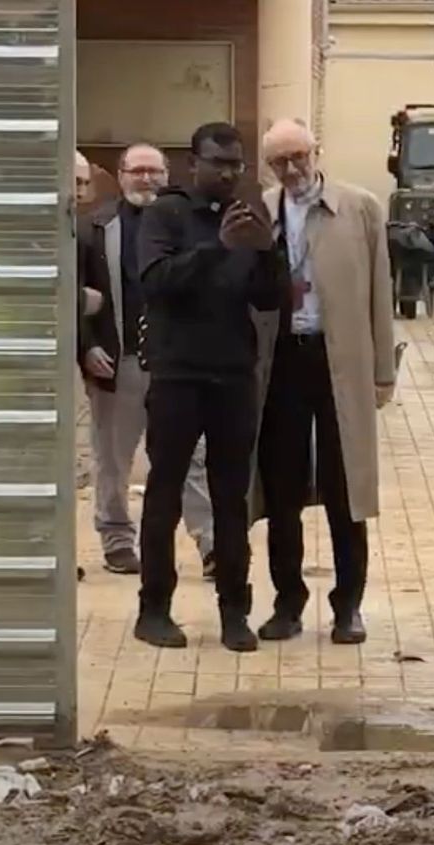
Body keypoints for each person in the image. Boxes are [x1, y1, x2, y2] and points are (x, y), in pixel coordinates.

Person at [135, 122, 286, 652]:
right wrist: (217, 250)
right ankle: (153, 608)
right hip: (177, 374)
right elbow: (154, 282)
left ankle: (234, 612)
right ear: (192, 163)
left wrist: (267, 253)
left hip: (233, 375)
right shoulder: (165, 214)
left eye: (236, 164)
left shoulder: (248, 217)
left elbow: (270, 300)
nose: (227, 173)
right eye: (218, 162)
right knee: (165, 492)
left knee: (231, 498)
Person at [251, 119, 395, 646]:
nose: (291, 170)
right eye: (278, 162)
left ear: (317, 151)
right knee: (282, 487)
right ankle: (288, 601)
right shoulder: (262, 211)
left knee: (345, 486)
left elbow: (381, 291)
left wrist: (383, 372)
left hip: (340, 360)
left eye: (298, 156)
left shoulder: (358, 208)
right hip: (282, 361)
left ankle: (348, 606)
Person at [80, 143, 215, 577]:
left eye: (154, 171)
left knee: (193, 457)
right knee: (114, 459)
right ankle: (117, 540)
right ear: (120, 177)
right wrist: (87, 346)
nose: (146, 179)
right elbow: (72, 292)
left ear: (167, 174)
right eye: (136, 171)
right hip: (119, 362)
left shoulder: (188, 225)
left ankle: (211, 543)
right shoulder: (95, 228)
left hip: (177, 364)